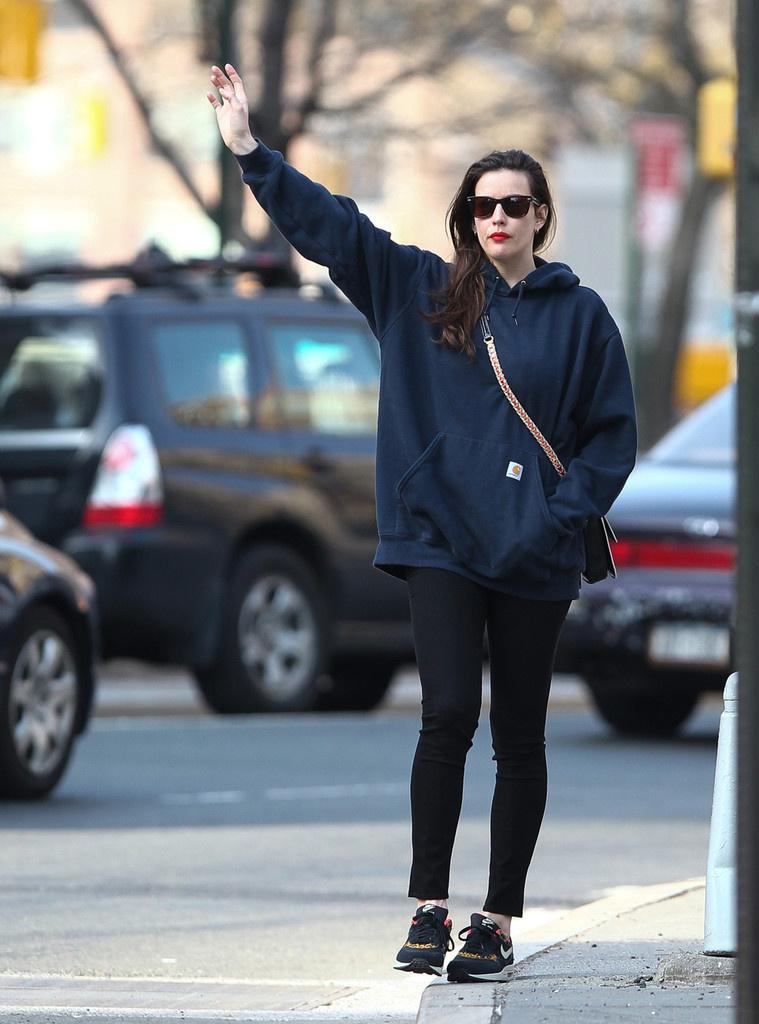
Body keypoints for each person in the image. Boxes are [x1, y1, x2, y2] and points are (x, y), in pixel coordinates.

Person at [207, 63, 637, 984]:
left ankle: (498, 920)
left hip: (534, 554)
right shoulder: (419, 289)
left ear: (541, 217)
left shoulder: (582, 318)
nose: (499, 218)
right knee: (446, 714)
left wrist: (558, 519)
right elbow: (333, 228)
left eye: (516, 205)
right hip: (438, 540)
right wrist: (250, 152)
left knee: (520, 736)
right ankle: (428, 907)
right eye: (484, 205)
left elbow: (612, 437)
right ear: (466, 217)